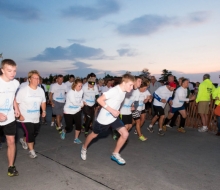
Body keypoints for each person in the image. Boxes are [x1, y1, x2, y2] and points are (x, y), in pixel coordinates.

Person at [81, 74, 135, 165]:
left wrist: (117, 111)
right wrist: (112, 110)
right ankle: (84, 148)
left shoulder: (124, 91)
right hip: (104, 118)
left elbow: (117, 102)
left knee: (125, 134)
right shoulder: (114, 90)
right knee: (93, 135)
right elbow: (99, 100)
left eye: (133, 85)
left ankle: (115, 153)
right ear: (124, 83)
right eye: (130, 85)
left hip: (113, 118)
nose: (132, 87)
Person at [16, 70, 46, 158]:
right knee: (30, 132)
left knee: (34, 132)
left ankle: (24, 139)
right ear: (29, 79)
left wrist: (44, 111)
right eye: (35, 78)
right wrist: (19, 115)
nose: (37, 80)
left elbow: (43, 102)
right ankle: (31, 151)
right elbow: (16, 103)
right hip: (25, 117)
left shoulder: (40, 90)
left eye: (38, 78)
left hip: (36, 117)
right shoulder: (23, 90)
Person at [0, 59, 20, 177]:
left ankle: (11, 167)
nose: (13, 73)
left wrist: (16, 108)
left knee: (11, 141)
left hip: (9, 118)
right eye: (9, 71)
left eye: (14, 71)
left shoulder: (15, 83)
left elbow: (12, 97)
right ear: (2, 70)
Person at [61, 79, 84, 143]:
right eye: (79, 86)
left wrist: (82, 103)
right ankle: (64, 131)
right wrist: (81, 105)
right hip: (68, 111)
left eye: (81, 86)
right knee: (69, 127)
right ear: (75, 85)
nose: (80, 87)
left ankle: (76, 139)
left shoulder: (81, 91)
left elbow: (81, 99)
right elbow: (74, 102)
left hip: (77, 110)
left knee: (78, 125)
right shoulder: (70, 92)